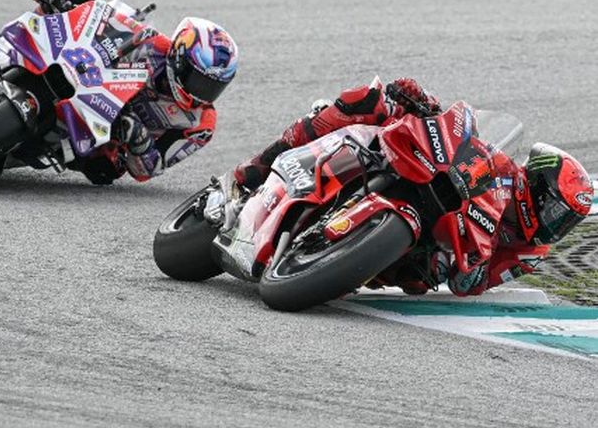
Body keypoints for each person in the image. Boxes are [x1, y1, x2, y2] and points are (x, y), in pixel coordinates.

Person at [233, 76, 593, 297]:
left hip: (423, 250)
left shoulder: (529, 252)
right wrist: (423, 104)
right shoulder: (502, 168)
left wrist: (470, 269)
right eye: (555, 210)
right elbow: (462, 138)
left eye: (565, 221)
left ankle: (327, 256)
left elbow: (475, 286)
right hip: (418, 174)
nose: (553, 224)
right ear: (537, 186)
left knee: (419, 280)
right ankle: (261, 165)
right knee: (371, 103)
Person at [0, 0, 238, 185]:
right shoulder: (153, 44)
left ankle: (9, 150)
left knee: (104, 169)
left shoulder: (200, 125)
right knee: (29, 33)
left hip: (104, 137)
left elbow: (150, 169)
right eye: (197, 79)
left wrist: (139, 141)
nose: (202, 93)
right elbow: (99, 11)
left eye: (214, 87)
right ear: (179, 58)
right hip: (84, 81)